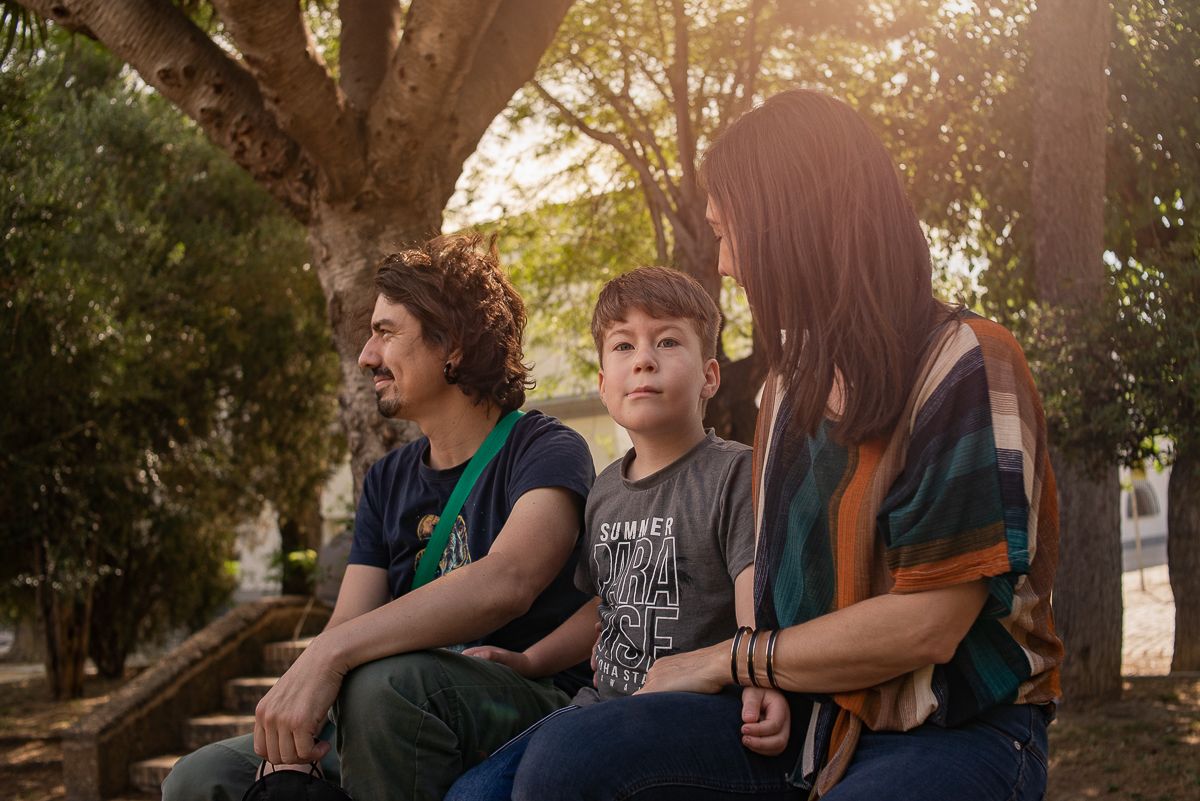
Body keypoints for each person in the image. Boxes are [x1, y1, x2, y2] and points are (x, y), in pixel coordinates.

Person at [509, 90, 1063, 801]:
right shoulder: (784, 390)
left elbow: (930, 625)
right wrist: (757, 678)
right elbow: (777, 594)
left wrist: (732, 659)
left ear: (789, 226)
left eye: (727, 232)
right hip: (807, 719)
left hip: (953, 727)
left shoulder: (966, 363)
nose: (724, 263)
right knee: (565, 759)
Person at [162, 233, 596, 801]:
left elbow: (508, 580)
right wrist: (298, 716)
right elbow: (349, 620)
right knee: (200, 779)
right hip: (387, 708)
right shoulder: (387, 479)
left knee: (381, 686)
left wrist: (330, 654)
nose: (367, 356)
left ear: (454, 345)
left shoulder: (545, 449)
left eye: (386, 333)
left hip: (523, 699)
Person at [445, 266, 793, 801]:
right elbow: (605, 605)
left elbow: (756, 595)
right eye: (623, 345)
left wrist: (757, 681)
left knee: (558, 772)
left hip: (700, 710)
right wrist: (529, 661)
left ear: (710, 377)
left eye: (668, 341)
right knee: (472, 795)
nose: (644, 359)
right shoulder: (605, 490)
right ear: (604, 385)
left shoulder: (735, 475)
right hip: (599, 705)